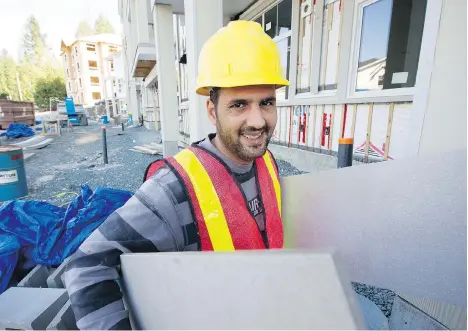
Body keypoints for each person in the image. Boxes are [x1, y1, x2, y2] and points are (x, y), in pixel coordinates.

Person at [64, 20, 290, 330]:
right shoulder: (174, 188)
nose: (258, 120)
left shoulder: (267, 164)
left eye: (267, 103)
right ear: (212, 111)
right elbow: (87, 266)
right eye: (239, 105)